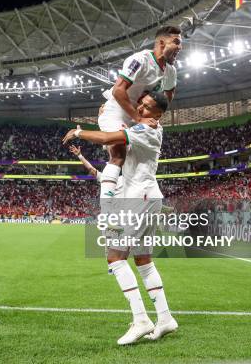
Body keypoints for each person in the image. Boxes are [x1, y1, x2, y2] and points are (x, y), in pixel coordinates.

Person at [64, 91, 177, 345]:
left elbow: (107, 138)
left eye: (147, 107)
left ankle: (140, 319)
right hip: (146, 197)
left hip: (139, 198)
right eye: (140, 103)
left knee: (115, 257)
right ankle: (165, 317)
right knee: (143, 260)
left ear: (158, 115)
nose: (140, 107)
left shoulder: (146, 131)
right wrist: (109, 114)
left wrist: (79, 133)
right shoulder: (144, 126)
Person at [97, 26, 181, 203]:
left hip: (139, 114)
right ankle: (107, 211)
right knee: (118, 154)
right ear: (161, 42)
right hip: (118, 111)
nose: (180, 47)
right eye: (176, 42)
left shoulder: (171, 71)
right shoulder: (140, 60)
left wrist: (155, 113)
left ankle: (151, 196)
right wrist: (138, 118)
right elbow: (119, 90)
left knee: (142, 159)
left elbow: (168, 95)